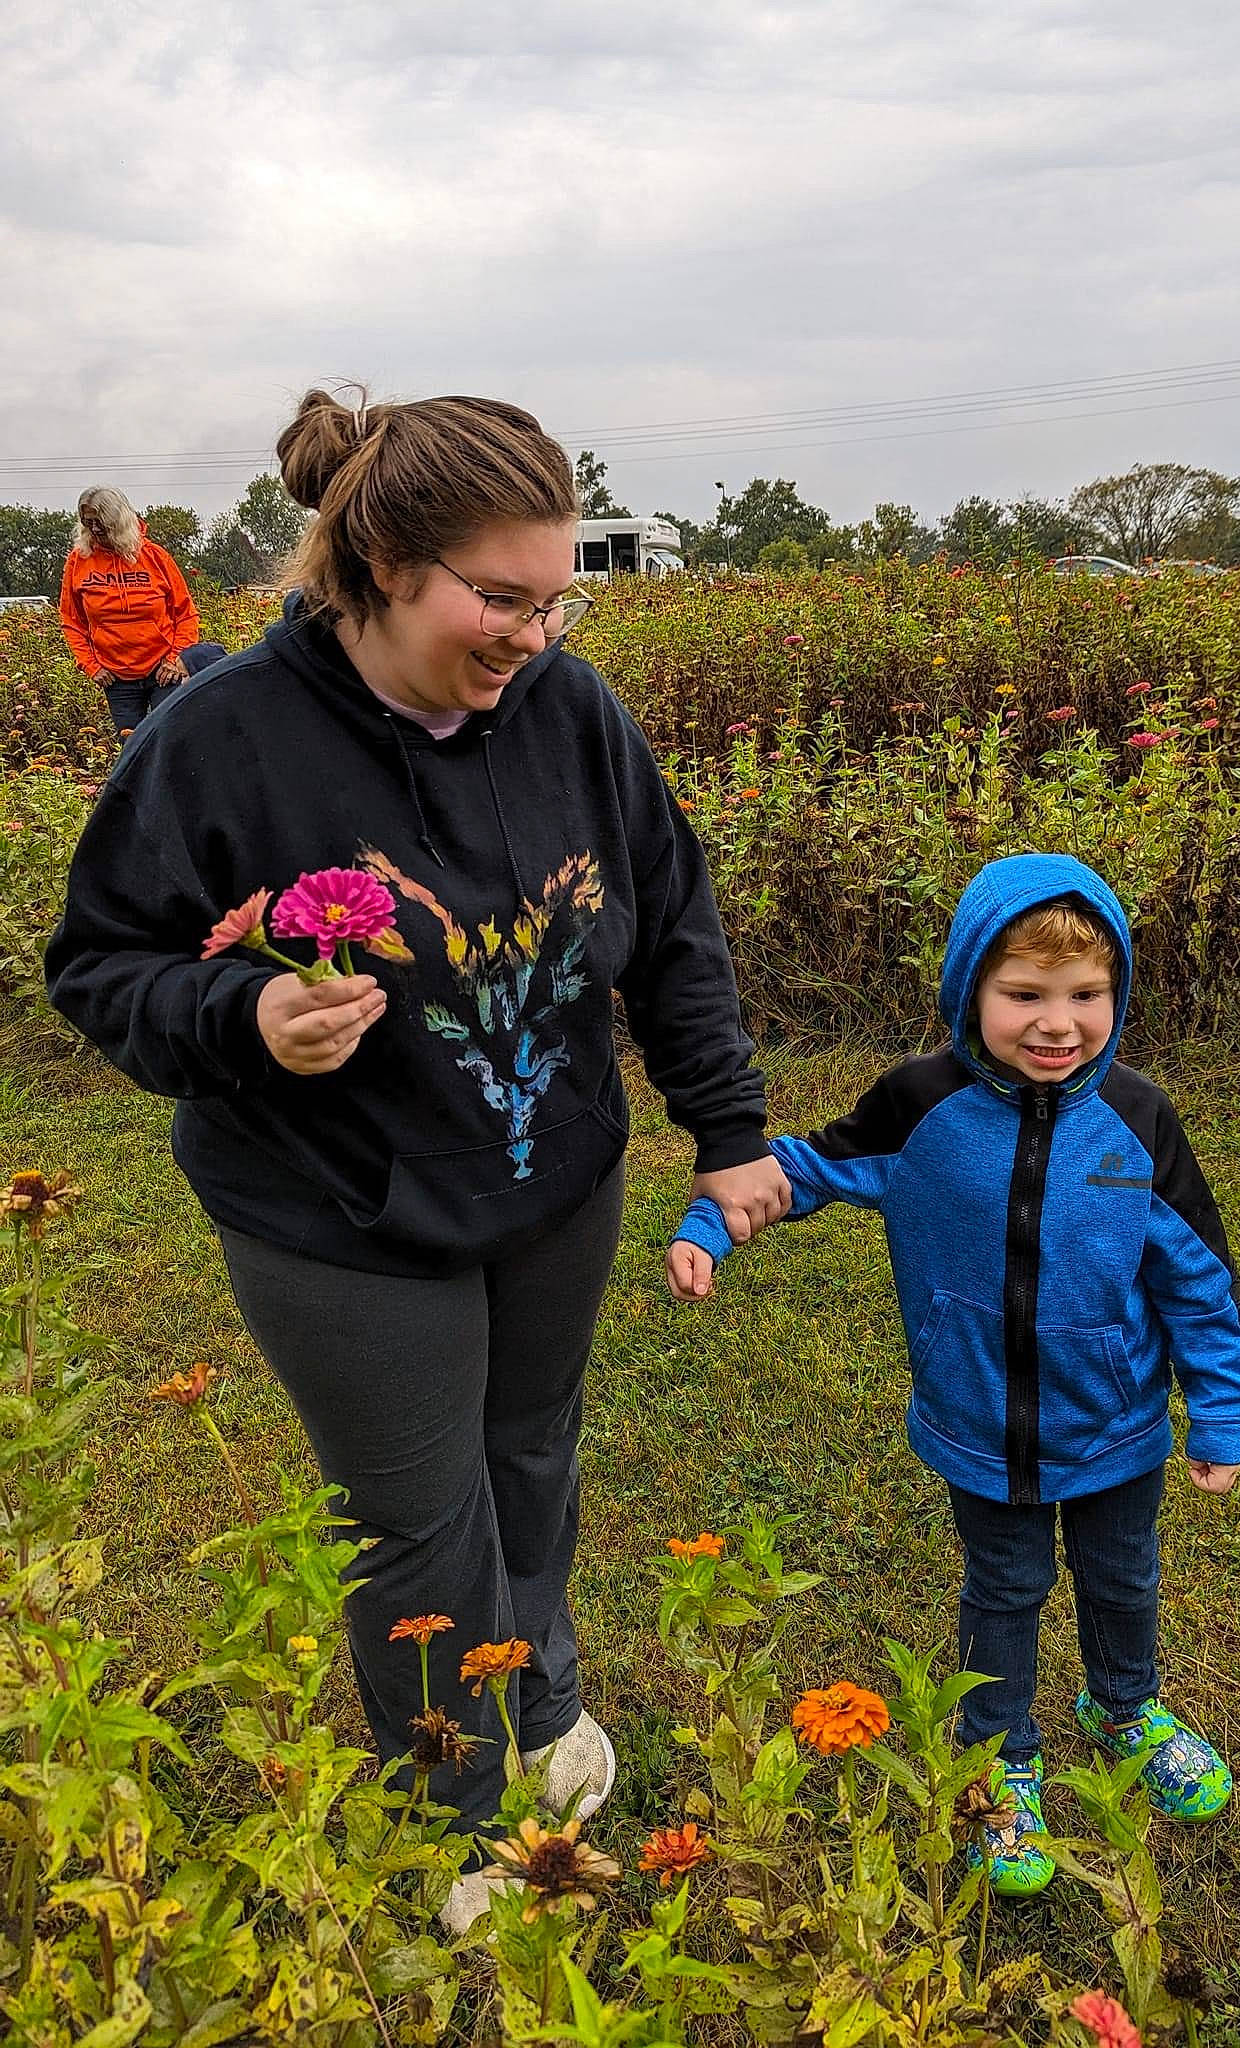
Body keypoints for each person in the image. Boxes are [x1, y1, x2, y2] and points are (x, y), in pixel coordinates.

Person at [46, 388, 790, 1933]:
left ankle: (548, 1708)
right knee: (417, 1520)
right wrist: (244, 1009)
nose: (534, 633)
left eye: (556, 596)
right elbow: (100, 963)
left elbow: (670, 920)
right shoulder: (222, 737)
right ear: (382, 562)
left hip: (553, 1180)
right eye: (499, 598)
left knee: (533, 1456)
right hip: (339, 1216)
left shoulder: (573, 712)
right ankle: (448, 1808)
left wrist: (725, 1131)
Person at [668, 853, 1240, 1898]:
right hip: (978, 1423)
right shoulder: (919, 1105)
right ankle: (1001, 1757)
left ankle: (1125, 1704)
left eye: (1085, 995)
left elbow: (1200, 1278)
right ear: (968, 988)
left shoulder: (1138, 1116)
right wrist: (715, 1216)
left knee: (1124, 1575)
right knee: (1006, 1586)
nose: (1057, 1022)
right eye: (1024, 993)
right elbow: (801, 1168)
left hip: (1117, 1425)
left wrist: (1218, 1409)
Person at [58, 487, 227, 735]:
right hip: (116, 677)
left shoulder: (155, 557)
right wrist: (90, 665)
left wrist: (175, 659)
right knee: (132, 749)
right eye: (88, 522)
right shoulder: (78, 561)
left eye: (100, 522)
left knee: (171, 737)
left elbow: (185, 614)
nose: (94, 529)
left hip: (163, 670)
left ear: (118, 520)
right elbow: (71, 619)